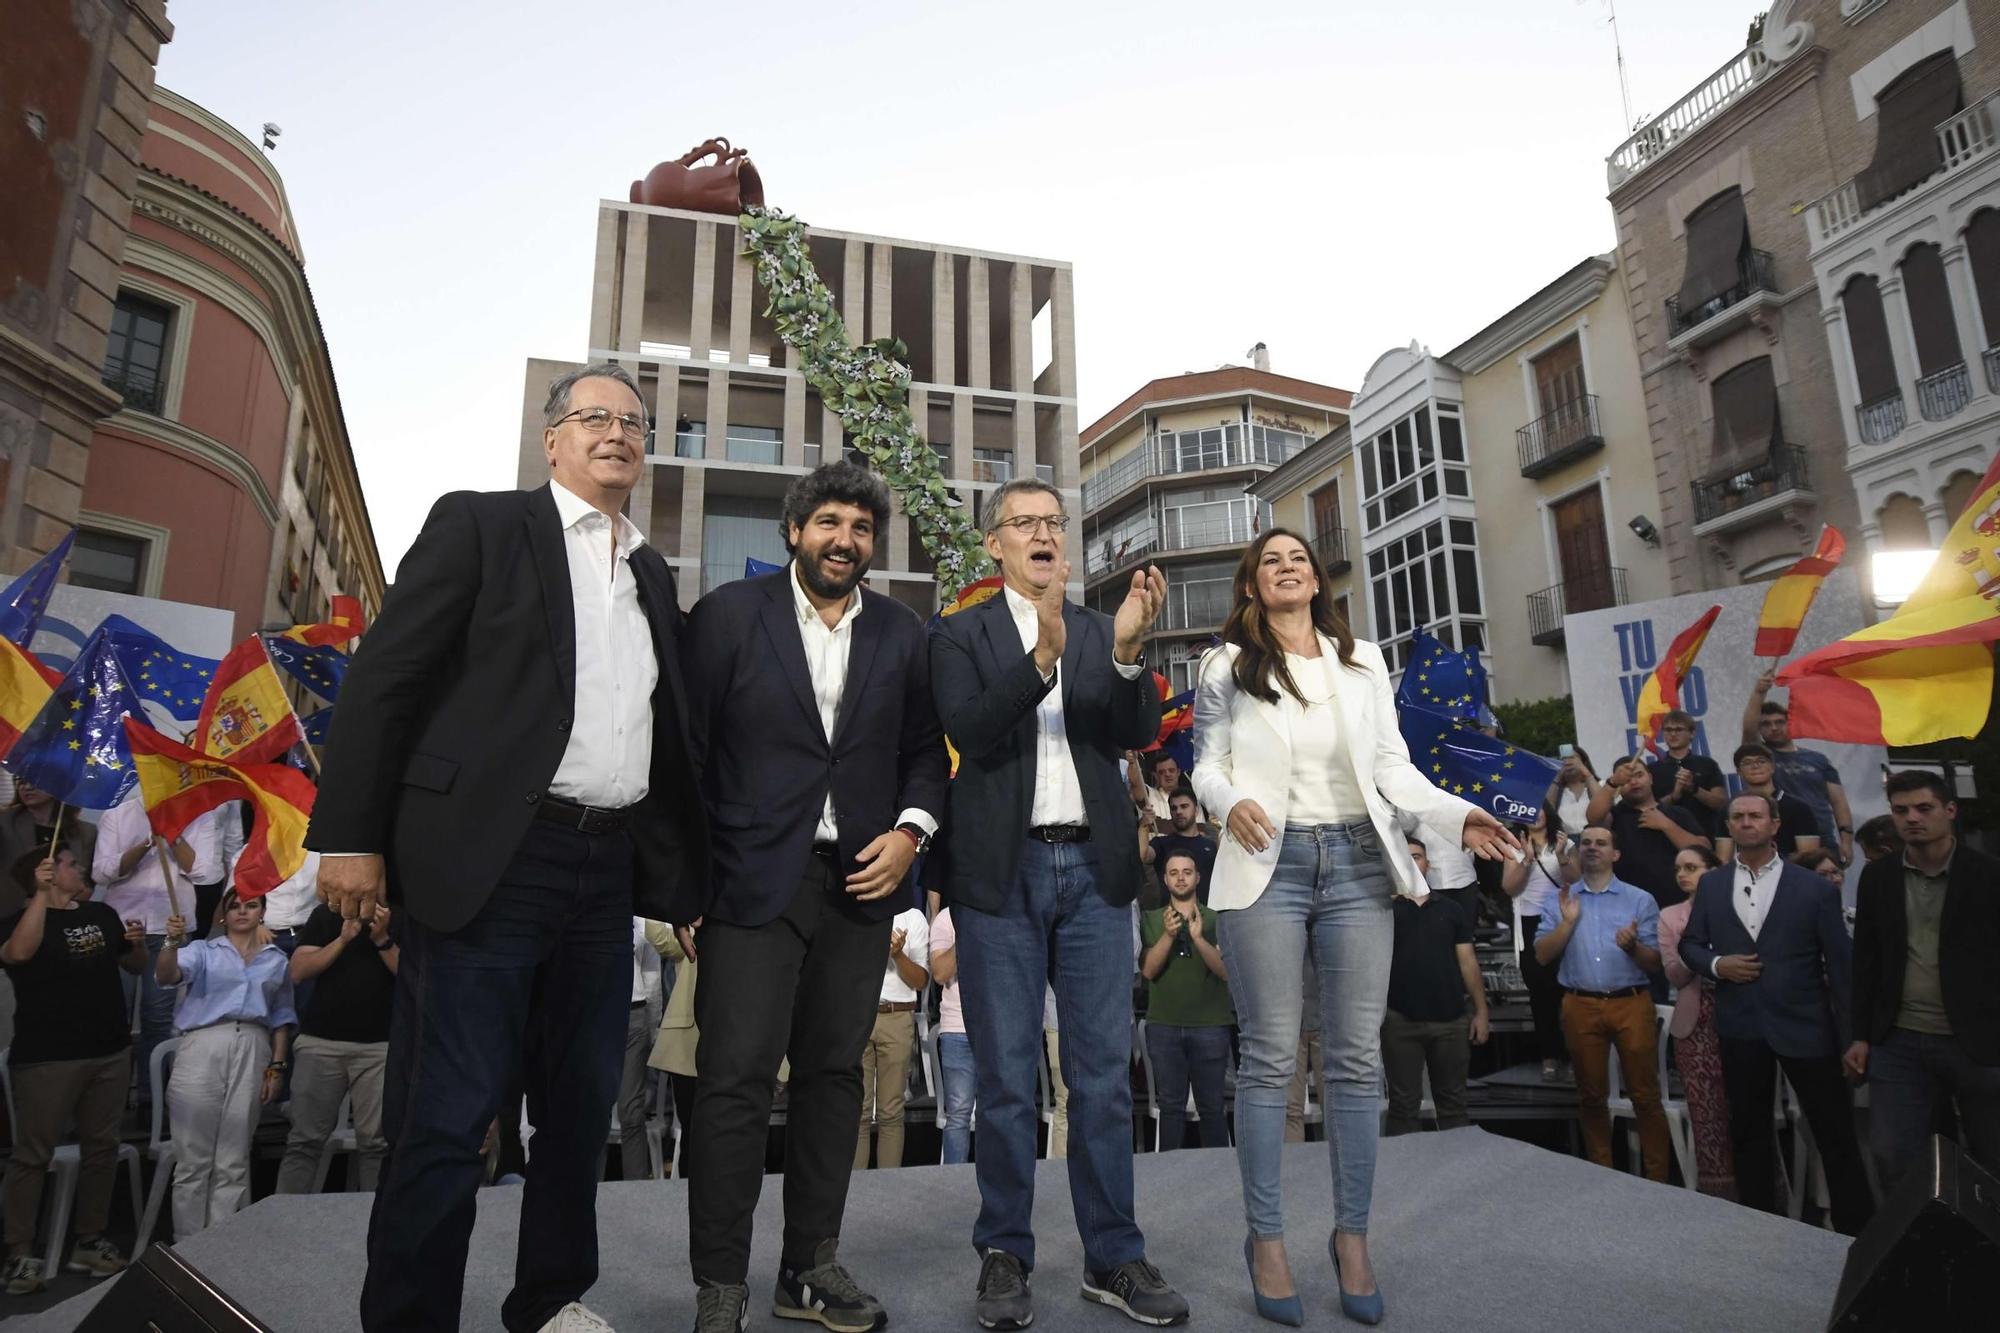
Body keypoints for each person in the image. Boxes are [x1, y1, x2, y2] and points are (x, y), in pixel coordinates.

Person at [307, 362, 708, 1333]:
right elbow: (386, 677)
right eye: (593, 416)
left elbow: (662, 737)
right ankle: (409, 1319)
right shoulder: (483, 526)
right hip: (488, 861)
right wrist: (352, 833)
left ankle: (549, 1301)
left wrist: (685, 885)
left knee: (576, 1116)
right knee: (447, 1118)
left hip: (601, 870)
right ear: (553, 439)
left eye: (632, 420)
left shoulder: (652, 573)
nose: (616, 431)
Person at [1190, 527, 1516, 1329]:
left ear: (1317, 578)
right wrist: (1232, 804)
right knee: (1269, 1057)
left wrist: (1456, 813)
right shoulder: (1224, 665)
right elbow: (1205, 763)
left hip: (1357, 862)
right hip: (1268, 859)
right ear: (1251, 585)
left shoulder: (1364, 661)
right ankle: (1266, 1240)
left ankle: (1352, 1236)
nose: (1287, 566)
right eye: (1271, 561)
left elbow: (1393, 768)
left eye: (1298, 557)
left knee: (1355, 1059)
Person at [678, 460, 947, 1333]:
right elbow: (685, 753)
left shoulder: (904, 633)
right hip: (750, 882)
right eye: (829, 522)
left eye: (862, 527)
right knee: (734, 1082)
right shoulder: (725, 617)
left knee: (834, 1081)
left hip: (861, 885)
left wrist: (909, 833)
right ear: (793, 531)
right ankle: (721, 1285)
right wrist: (683, 884)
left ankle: (810, 1267)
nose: (846, 539)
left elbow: (921, 751)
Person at [930, 476, 1187, 1330]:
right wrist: (1039, 661)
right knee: (1005, 1083)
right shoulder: (959, 634)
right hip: (1000, 881)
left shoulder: (1096, 628)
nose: (1043, 533)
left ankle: (1114, 1254)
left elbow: (1132, 730)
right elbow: (969, 729)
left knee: (1104, 1081)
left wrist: (1121, 653)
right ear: (995, 544)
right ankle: (1005, 1253)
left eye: (1053, 522)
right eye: (1024, 523)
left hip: (1094, 874)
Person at [1678, 794, 1873, 1235]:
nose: (1747, 824)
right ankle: (1762, 1230)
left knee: (1835, 1134)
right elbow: (1690, 944)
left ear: (1775, 824)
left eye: (1755, 817)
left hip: (1807, 1027)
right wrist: (1716, 964)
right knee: (1748, 1134)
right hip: (1741, 1026)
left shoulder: (1815, 889)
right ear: (1729, 826)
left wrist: (1855, 1037)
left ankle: (1857, 1232)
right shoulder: (1711, 885)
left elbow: (1842, 969)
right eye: (1739, 817)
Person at [1846, 771, 2000, 1192]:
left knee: (1992, 1155)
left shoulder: (1988, 876)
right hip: (1899, 1041)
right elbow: (1866, 961)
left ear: (1950, 811)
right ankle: (1919, 1251)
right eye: (1901, 810)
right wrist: (1860, 1035)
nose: (1912, 818)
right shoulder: (1878, 878)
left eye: (1923, 808)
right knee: (1894, 1153)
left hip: (1979, 1040)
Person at [0, 844, 144, 1295]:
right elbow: (18, 955)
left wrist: (139, 946)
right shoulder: (18, 920)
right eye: (68, 863)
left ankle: (89, 1240)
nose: (79, 867)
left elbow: (133, 965)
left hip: (109, 1051)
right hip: (48, 1057)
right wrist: (41, 898)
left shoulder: (101, 914)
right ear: (43, 873)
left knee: (102, 1148)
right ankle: (21, 1254)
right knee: (32, 1155)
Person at [1533, 825, 1672, 1182]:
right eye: (1586, 843)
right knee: (1591, 1095)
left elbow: (1654, 963)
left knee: (1645, 1095)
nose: (1592, 848)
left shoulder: (1640, 900)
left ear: (1616, 854)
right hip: (1580, 1005)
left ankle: (1659, 1182)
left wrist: (1632, 947)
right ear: (1578, 853)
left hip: (1631, 1002)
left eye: (1602, 843)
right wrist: (1567, 924)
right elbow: (1542, 956)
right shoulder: (1559, 899)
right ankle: (1602, 1179)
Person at [156, 890, 296, 1238]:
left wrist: (276, 1067)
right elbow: (166, 976)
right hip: (204, 1042)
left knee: (234, 1157)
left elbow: (281, 1016)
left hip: (253, 1042)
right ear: (223, 915)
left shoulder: (275, 958)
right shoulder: (203, 951)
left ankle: (218, 1246)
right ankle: (186, 1246)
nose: (242, 912)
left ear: (263, 912)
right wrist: (170, 944)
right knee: (193, 1157)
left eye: (251, 905)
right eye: (234, 906)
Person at [93, 791, 219, 1111]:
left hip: (171, 927)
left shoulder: (200, 815)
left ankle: (153, 1100)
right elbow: (101, 872)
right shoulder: (119, 812)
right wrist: (146, 843)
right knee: (114, 1015)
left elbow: (205, 872)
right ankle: (112, 1101)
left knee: (158, 1016)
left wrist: (173, 835)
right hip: (124, 927)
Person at [276, 900, 398, 1195]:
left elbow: (412, 974)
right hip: (321, 1043)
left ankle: (378, 1232)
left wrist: (382, 939)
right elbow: (298, 970)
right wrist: (343, 939)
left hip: (381, 1047)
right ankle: (282, 1227)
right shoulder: (326, 914)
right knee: (304, 1142)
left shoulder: (401, 915)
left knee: (377, 1145)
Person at [1381, 838, 1488, 1137]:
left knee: (1454, 1107)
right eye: (1406, 857)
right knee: (1403, 1107)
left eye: (1418, 856)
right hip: (1399, 1020)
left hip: (1451, 1019)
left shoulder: (1452, 910)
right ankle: (1403, 1180)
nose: (1413, 862)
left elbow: (1468, 962)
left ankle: (1457, 1179)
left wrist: (1481, 1012)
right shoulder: (1383, 912)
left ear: (1428, 863)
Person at [1655, 844, 1735, 1199]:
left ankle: (1764, 1197)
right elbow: (1674, 975)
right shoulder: (1671, 917)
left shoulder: (1737, 909)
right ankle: (1717, 1197)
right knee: (1707, 1117)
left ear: (1713, 870)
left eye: (1692, 867)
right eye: (1678, 869)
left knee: (1746, 1110)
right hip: (1694, 1024)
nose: (1683, 875)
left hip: (1740, 1017)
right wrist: (1695, 946)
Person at [1138, 852, 1233, 1151]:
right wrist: (1168, 936)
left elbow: (1226, 972)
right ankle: (1169, 1184)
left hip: (1211, 1026)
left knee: (1213, 1108)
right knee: (1171, 1109)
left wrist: (1199, 939)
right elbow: (1149, 970)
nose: (1181, 877)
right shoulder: (1152, 919)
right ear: (1165, 879)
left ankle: (1221, 1179)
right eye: (1174, 872)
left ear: (1197, 878)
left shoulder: (1217, 918)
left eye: (1187, 872)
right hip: (1164, 1026)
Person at [1741, 677, 1853, 862]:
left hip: (1823, 837)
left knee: (1825, 889)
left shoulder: (1818, 760)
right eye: (1766, 724)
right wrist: (1758, 693)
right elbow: (1748, 730)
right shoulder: (1763, 757)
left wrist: (1847, 840)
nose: (1774, 728)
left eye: (1779, 722)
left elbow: (1838, 802)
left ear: (1789, 723)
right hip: (1780, 836)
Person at [856, 905, 931, 1170]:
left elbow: (921, 981)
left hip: (897, 1016)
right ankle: (854, 1193)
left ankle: (889, 1191)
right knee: (858, 1112)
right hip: (858, 1014)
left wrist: (898, 955)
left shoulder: (913, 917)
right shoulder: (858, 910)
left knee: (891, 1112)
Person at [1500, 809, 1570, 1080]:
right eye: (1530, 810)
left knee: (1567, 992)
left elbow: (1575, 879)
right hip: (1529, 923)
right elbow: (1509, 888)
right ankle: (1549, 1056)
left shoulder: (1565, 842)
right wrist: (1527, 860)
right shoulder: (1514, 846)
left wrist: (1563, 855)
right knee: (1540, 994)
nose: (1536, 814)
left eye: (1540, 809)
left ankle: (1573, 1055)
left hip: (1563, 921)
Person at [1586, 757, 1709, 910]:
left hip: (1680, 907)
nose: (1634, 782)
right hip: (1630, 909)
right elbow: (1593, 817)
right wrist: (1612, 782)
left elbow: (1704, 851)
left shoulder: (1678, 813)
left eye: (1639, 775)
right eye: (1627, 779)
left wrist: (1666, 825)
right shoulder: (1614, 816)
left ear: (1650, 778)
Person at [614, 918, 669, 1182]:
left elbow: (651, 973)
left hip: (635, 1014)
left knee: (631, 1111)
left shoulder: (640, 915)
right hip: (594, 1014)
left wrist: (654, 1029)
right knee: (588, 1106)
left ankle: (634, 1186)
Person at [929, 906, 976, 1165]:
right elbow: (940, 973)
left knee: (1000, 1111)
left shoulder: (1000, 916)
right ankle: (955, 1181)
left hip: (994, 1031)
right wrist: (969, 931)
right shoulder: (946, 919)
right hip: (957, 1029)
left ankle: (998, 1184)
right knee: (958, 1114)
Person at [1724, 744, 1821, 860]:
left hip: (1790, 875)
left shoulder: (1799, 808)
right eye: (1748, 762)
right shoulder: (1729, 809)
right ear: (1738, 771)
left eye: (1762, 761)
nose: (1755, 766)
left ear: (1772, 767)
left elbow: (1810, 858)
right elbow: (1724, 858)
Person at [1646, 711, 1726, 838]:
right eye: (1668, 730)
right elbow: (1647, 810)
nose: (1673, 734)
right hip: (1663, 840)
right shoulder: (1652, 770)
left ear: (1692, 733)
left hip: (1705, 837)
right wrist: (1673, 797)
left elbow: (1721, 804)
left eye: (1678, 729)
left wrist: (1693, 789)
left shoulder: (1707, 765)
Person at [1137, 789, 1216, 908]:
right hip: (1171, 920)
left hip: (1208, 917)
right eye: (1174, 808)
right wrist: (1144, 826)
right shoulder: (1161, 843)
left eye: (1184, 806)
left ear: (1196, 810)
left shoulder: (1211, 845)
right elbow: (1144, 856)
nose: (1178, 811)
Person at [1541, 747, 1601, 839]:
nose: (1568, 762)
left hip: (1594, 838)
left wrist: (1586, 773)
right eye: (1563, 759)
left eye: (1572, 758)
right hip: (1565, 841)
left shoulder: (1599, 784)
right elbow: (1548, 810)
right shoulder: (1555, 789)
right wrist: (1557, 776)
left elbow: (1602, 805)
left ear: (1583, 762)